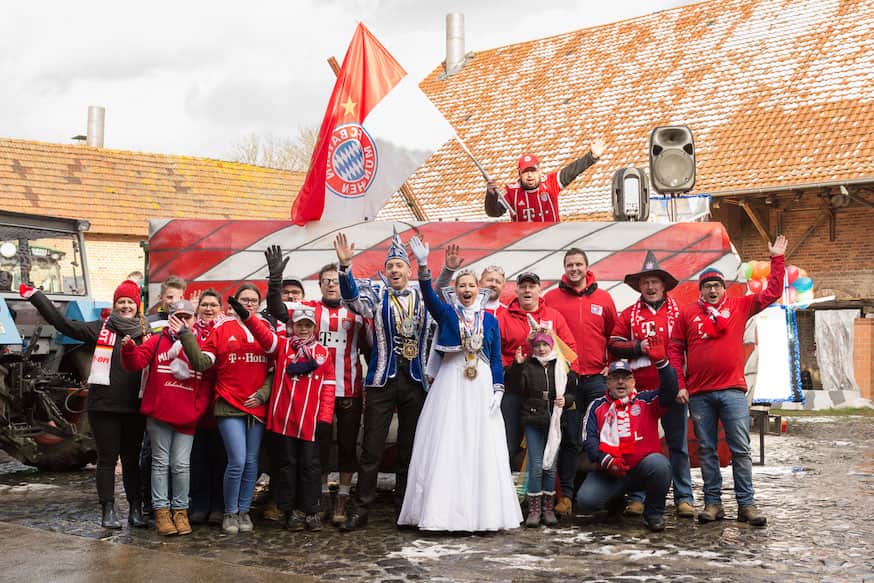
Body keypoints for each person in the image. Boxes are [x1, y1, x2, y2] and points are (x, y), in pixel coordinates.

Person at [397, 238, 522, 531]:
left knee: (480, 444)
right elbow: (428, 297)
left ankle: (483, 514)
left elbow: (494, 359)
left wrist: (499, 388)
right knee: (449, 441)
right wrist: (426, 266)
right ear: (457, 289)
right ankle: (443, 512)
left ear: (480, 290)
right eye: (463, 286)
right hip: (452, 383)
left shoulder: (490, 321)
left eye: (471, 286)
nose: (467, 290)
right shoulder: (448, 314)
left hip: (480, 386)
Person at [669, 235, 788, 527]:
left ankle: (746, 505)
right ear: (701, 290)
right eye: (707, 286)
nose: (712, 290)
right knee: (707, 449)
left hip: (733, 391)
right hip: (699, 394)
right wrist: (680, 384)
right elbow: (674, 349)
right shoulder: (687, 314)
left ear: (724, 288)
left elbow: (772, 292)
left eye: (717, 285)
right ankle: (713, 504)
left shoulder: (740, 306)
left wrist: (777, 259)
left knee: (740, 449)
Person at [21, 279, 148, 529]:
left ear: (137, 306)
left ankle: (135, 509)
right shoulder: (100, 329)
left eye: (129, 302)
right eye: (120, 302)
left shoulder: (146, 333)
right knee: (107, 460)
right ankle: (108, 509)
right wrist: (36, 296)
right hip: (104, 407)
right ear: (114, 305)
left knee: (133, 461)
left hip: (135, 407)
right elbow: (63, 324)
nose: (125, 306)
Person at [333, 229, 431, 531]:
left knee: (410, 448)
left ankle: (405, 509)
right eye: (390, 266)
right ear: (385, 271)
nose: (394, 270)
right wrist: (345, 268)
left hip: (415, 380)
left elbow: (443, 309)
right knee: (372, 449)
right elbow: (351, 300)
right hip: (382, 380)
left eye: (399, 265)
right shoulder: (376, 296)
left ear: (408, 269)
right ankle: (361, 510)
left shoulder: (422, 297)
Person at [264, 248, 368, 526]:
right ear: (319, 285)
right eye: (326, 281)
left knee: (347, 447)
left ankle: (342, 500)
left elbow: (370, 349)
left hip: (348, 390)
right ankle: (319, 498)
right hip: (315, 393)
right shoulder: (310, 310)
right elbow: (276, 309)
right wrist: (276, 280)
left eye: (336, 280)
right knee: (317, 449)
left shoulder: (357, 312)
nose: (332, 284)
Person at [229, 297, 335, 532]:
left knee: (310, 466)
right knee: (287, 465)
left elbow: (328, 387)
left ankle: (310, 509)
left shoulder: (323, 353)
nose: (304, 329)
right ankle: (291, 510)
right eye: (300, 325)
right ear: (292, 326)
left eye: (308, 325)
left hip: (310, 421)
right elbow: (262, 334)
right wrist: (247, 316)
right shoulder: (282, 347)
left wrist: (325, 418)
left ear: (314, 327)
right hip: (284, 420)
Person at [178, 283, 271, 535]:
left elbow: (275, 368)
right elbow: (201, 362)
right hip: (229, 403)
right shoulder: (222, 328)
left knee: (252, 463)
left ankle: (243, 510)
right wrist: (186, 335)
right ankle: (229, 512)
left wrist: (263, 395)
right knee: (238, 460)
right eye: (244, 299)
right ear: (234, 304)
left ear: (259, 304)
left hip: (256, 407)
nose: (249, 304)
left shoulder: (265, 330)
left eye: (253, 300)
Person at [608, 251, 694, 519]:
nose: (651, 286)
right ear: (639, 286)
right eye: (646, 282)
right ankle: (638, 496)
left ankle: (684, 497)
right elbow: (613, 343)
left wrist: (681, 384)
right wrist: (638, 346)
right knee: (638, 445)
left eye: (655, 281)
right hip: (639, 393)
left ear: (664, 284)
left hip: (672, 388)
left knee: (678, 444)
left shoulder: (680, 313)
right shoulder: (629, 314)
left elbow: (687, 350)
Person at [120, 299, 213, 536]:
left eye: (187, 317)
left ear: (194, 320)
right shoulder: (157, 340)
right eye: (178, 316)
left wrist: (197, 409)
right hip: (160, 414)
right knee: (160, 464)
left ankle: (180, 511)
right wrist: (129, 349)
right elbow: (136, 363)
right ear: (170, 317)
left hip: (187, 417)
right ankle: (162, 512)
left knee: (181, 465)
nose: (183, 321)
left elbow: (206, 381)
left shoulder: (202, 343)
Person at [543, 248, 617, 514]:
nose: (574, 269)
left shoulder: (604, 298)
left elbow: (614, 336)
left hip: (597, 379)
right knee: (570, 437)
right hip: (567, 380)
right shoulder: (551, 298)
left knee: (603, 436)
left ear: (587, 267)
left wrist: (610, 365)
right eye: (569, 265)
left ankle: (611, 492)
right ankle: (567, 497)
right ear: (564, 268)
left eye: (578, 264)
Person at [578, 358, 678, 532]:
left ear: (633, 381)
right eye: (615, 378)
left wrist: (662, 364)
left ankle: (654, 514)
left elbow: (670, 391)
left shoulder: (646, 400)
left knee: (660, 465)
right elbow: (589, 440)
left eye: (625, 377)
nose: (621, 382)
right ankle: (616, 502)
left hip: (642, 470)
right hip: (609, 472)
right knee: (586, 500)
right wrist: (607, 460)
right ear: (608, 382)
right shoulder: (596, 406)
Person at [497, 272, 577, 465]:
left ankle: (549, 489)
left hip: (546, 390)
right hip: (514, 388)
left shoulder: (553, 316)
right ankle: (505, 490)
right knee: (508, 440)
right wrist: (511, 367)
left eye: (532, 286)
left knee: (550, 441)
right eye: (523, 286)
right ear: (515, 290)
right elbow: (494, 351)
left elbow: (570, 350)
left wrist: (569, 377)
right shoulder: (503, 318)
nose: (527, 290)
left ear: (539, 290)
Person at [506, 330, 576, 528]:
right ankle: (535, 509)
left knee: (551, 467)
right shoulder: (528, 366)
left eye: (545, 345)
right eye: (537, 346)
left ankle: (548, 508)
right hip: (534, 420)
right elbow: (518, 387)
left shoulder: (561, 366)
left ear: (551, 346)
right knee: (536, 466)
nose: (541, 349)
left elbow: (572, 391)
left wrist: (566, 399)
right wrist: (517, 366)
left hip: (554, 422)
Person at [484, 139, 605, 222]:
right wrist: (491, 195)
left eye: (533, 171)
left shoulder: (550, 183)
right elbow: (493, 212)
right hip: (524, 246)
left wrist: (592, 157)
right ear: (519, 174)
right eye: (525, 172)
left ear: (540, 171)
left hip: (552, 241)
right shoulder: (511, 191)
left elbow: (571, 171)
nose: (530, 175)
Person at [187, 290, 226, 526]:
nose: (209, 309)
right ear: (198, 308)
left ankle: (218, 506)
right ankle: (200, 505)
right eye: (204, 305)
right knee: (197, 459)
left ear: (221, 308)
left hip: (219, 403)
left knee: (221, 458)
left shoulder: (224, 331)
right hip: (193, 404)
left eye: (213, 305)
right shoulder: (190, 332)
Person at [433, 245, 507, 316]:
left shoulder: (508, 312)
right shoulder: (458, 304)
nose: (493, 284)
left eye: (498, 282)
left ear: (503, 286)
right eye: (489, 280)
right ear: (479, 283)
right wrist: (448, 270)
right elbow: (439, 294)